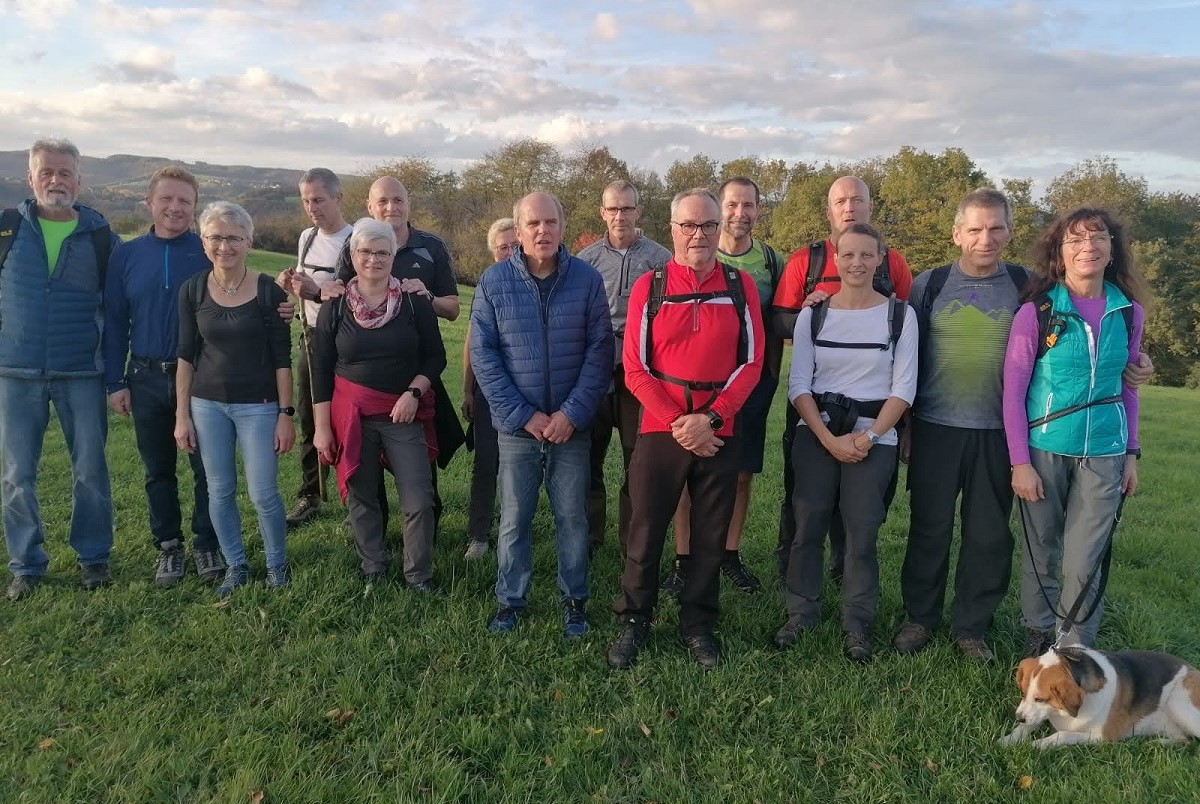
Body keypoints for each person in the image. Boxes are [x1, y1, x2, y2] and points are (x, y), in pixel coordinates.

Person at [608, 188, 764, 670]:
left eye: (708, 226)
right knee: (645, 528)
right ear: (672, 229)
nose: (699, 235)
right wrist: (680, 423)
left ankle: (698, 625)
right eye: (689, 226)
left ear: (721, 230)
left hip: (719, 427)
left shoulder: (740, 286)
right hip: (662, 426)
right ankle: (635, 619)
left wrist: (712, 418)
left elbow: (752, 361)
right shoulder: (649, 287)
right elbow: (635, 368)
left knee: (709, 534)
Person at [1003, 207, 1148, 655]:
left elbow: (1129, 387)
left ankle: (1075, 648)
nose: (1088, 246)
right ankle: (1038, 634)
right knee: (1042, 550)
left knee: (1087, 557)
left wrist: (1131, 453)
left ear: (1112, 250)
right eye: (1076, 240)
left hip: (1105, 450)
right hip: (1044, 448)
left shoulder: (1128, 313)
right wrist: (1020, 463)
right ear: (1059, 254)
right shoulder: (1037, 312)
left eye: (1098, 238)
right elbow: (1013, 391)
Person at [470, 192, 613, 638]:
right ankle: (510, 600)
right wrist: (523, 415)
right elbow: (483, 355)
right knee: (515, 517)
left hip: (571, 425)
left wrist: (571, 414)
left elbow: (600, 349)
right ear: (518, 229)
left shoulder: (587, 280)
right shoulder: (494, 283)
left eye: (550, 222)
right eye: (533, 224)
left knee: (572, 516)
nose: (542, 231)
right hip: (518, 427)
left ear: (562, 226)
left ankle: (574, 600)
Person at [775, 222, 917, 663]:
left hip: (875, 437)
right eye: (848, 255)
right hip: (816, 432)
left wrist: (868, 437)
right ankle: (802, 611)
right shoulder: (814, 314)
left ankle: (857, 620)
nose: (857, 263)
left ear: (880, 260)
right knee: (808, 524)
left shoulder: (899, 315)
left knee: (861, 531)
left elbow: (904, 388)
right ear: (835, 259)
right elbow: (798, 386)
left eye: (866, 255)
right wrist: (827, 438)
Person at [1, 138, 119, 600]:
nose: (56, 180)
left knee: (90, 470)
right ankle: (26, 563)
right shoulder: (8, 228)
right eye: (47, 172)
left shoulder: (100, 236)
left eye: (65, 172)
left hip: (80, 372)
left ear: (79, 180)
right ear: (30, 178)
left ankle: (93, 557)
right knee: (15, 475)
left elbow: (114, 307)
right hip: (15, 371)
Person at [104, 167, 226, 587]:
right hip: (145, 376)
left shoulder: (207, 251)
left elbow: (240, 291)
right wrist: (115, 381)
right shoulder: (127, 254)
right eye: (167, 199)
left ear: (194, 209)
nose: (175, 208)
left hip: (202, 378)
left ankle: (207, 542)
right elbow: (116, 320)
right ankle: (169, 547)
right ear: (150, 203)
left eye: (185, 202)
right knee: (158, 469)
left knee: (206, 468)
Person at [663, 177, 785, 597]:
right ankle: (684, 558)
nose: (740, 213)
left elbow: (782, 320)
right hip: (691, 388)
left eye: (748, 204)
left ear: (757, 209)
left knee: (740, 474)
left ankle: (728, 555)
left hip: (750, 385)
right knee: (684, 471)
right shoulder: (692, 250)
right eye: (732, 204)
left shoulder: (772, 261)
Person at [311, 218, 445, 589]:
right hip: (350, 417)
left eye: (382, 252)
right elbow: (320, 368)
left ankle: (418, 575)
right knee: (363, 495)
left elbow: (435, 358)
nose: (374, 259)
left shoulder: (414, 304)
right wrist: (322, 428)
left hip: (403, 413)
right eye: (366, 251)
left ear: (393, 256)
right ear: (353, 256)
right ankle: (374, 566)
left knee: (419, 499)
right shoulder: (335, 307)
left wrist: (413, 394)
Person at [174, 202, 294, 598]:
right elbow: (186, 355)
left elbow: (282, 358)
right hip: (206, 406)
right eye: (215, 238)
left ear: (248, 241)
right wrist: (182, 415)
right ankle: (235, 564)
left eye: (233, 238)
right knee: (219, 489)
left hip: (257, 407)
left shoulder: (268, 291)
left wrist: (285, 414)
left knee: (263, 493)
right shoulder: (192, 290)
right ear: (203, 241)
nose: (224, 246)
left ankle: (277, 563)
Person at [330, 176, 463, 529]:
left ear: (409, 203)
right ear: (370, 208)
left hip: (416, 371)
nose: (392, 208)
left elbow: (453, 308)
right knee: (368, 469)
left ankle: (425, 534)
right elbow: (339, 295)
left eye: (398, 200)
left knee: (421, 468)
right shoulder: (354, 246)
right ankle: (375, 534)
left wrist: (427, 297)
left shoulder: (431, 247)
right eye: (383, 201)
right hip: (365, 376)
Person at [576, 180, 671, 554]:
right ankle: (588, 536)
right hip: (595, 368)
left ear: (639, 211)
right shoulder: (585, 261)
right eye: (613, 209)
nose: (620, 216)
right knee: (588, 456)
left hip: (641, 371)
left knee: (637, 458)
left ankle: (632, 539)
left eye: (627, 208)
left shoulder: (660, 258)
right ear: (602, 212)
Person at [276, 168, 352, 528]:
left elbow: (359, 296)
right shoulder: (307, 237)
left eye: (318, 199)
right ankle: (311, 493)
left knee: (351, 423)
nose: (312, 208)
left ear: (339, 198)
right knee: (309, 418)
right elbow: (305, 288)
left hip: (348, 345)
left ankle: (356, 495)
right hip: (310, 340)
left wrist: (316, 290)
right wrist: (290, 284)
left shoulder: (356, 241)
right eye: (306, 200)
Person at [461, 217, 519, 560]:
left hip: (529, 389)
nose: (510, 252)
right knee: (486, 462)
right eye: (503, 247)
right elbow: (472, 339)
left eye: (516, 244)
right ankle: (479, 536)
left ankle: (516, 530)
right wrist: (468, 389)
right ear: (492, 252)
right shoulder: (487, 284)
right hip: (490, 391)